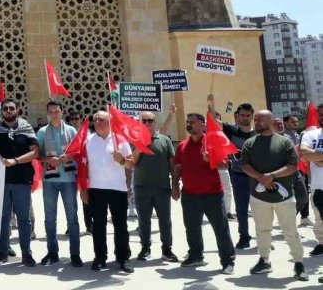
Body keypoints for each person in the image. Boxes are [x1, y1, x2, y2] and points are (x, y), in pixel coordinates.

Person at [241, 110, 307, 280]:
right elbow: (245, 165)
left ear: (271, 121)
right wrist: (261, 178)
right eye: (255, 119)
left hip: (284, 198)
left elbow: (292, 166)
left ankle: (299, 263)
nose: (256, 122)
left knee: (290, 231)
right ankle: (264, 260)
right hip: (259, 197)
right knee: (262, 230)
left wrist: (271, 176)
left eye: (260, 119)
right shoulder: (249, 143)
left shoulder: (285, 142)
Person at [172, 113, 235, 274]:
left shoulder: (213, 143)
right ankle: (196, 255)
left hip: (212, 194)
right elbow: (178, 166)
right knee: (192, 228)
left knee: (220, 229)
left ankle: (227, 261)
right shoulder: (182, 145)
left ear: (203, 124)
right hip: (189, 195)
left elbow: (225, 165)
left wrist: (212, 159)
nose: (189, 124)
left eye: (192, 122)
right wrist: (175, 185)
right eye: (187, 121)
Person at [0, 99, 38, 267]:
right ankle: (2, 251)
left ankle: (26, 253)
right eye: (5, 108)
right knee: (3, 217)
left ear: (17, 110)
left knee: (24, 218)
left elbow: (35, 153)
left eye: (11, 108)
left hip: (22, 178)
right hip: (1, 180)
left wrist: (15, 161)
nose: (8, 111)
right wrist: (0, 159)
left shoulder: (26, 128)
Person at [84, 110, 134, 273]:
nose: (97, 122)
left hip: (118, 189)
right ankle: (100, 257)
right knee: (98, 225)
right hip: (96, 189)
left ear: (110, 122)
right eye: (95, 120)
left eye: (101, 120)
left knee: (120, 225)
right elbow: (83, 166)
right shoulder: (88, 140)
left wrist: (123, 160)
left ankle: (123, 258)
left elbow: (131, 164)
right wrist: (83, 189)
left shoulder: (120, 139)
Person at [36, 101, 81, 267]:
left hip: (69, 179)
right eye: (51, 112)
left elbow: (78, 151)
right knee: (49, 219)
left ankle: (75, 254)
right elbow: (37, 154)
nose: (54, 114)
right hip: (50, 180)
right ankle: (52, 252)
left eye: (57, 111)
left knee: (72, 218)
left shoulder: (71, 130)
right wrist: (48, 159)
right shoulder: (42, 132)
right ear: (47, 114)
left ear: (62, 112)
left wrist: (68, 156)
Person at [132, 111, 178, 263]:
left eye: (150, 121)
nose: (147, 123)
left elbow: (172, 164)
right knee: (143, 220)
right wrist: (140, 146)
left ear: (155, 123)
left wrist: (175, 185)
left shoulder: (165, 140)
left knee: (165, 220)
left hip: (162, 187)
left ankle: (167, 249)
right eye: (143, 121)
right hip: (141, 187)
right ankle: (145, 248)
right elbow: (131, 162)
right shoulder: (135, 140)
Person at [221, 102, 256, 249]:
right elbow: (214, 121)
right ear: (237, 116)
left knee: (261, 208)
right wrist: (211, 104)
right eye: (242, 115)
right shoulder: (231, 131)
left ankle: (263, 237)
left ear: (252, 116)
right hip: (238, 176)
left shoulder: (258, 133)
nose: (245, 118)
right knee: (241, 209)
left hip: (257, 177)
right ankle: (244, 236)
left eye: (248, 115)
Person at [298, 121, 323, 261]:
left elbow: (310, 155)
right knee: (319, 218)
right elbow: (304, 153)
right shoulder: (311, 135)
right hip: (318, 186)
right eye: (321, 114)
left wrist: (316, 157)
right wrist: (310, 156)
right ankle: (322, 243)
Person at [65, 111, 92, 235]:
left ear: (81, 119)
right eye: (72, 119)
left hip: (84, 170)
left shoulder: (88, 134)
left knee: (86, 199)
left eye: (76, 118)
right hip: (70, 170)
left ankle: (89, 225)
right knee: (70, 201)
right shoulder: (67, 134)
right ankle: (71, 226)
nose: (74, 121)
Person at [283, 114, 310, 224]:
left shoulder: (297, 135)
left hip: (302, 166)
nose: (296, 124)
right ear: (286, 123)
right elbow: (292, 151)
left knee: (305, 192)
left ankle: (304, 217)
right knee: (299, 196)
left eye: (296, 122)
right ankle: (289, 218)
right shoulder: (284, 136)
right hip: (291, 169)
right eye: (293, 122)